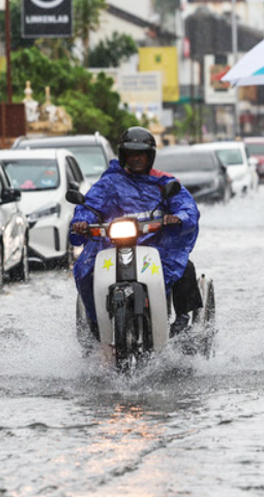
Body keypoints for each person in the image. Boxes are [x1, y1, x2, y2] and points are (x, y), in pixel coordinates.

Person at [70, 127, 203, 340]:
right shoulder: (109, 183)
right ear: (124, 156)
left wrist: (177, 218)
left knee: (185, 268)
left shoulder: (165, 182)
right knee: (85, 269)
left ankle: (182, 320)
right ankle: (95, 323)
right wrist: (81, 222)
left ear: (150, 156)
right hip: (112, 245)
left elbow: (187, 207)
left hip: (157, 246)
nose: (136, 158)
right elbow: (89, 205)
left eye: (141, 153)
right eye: (131, 153)